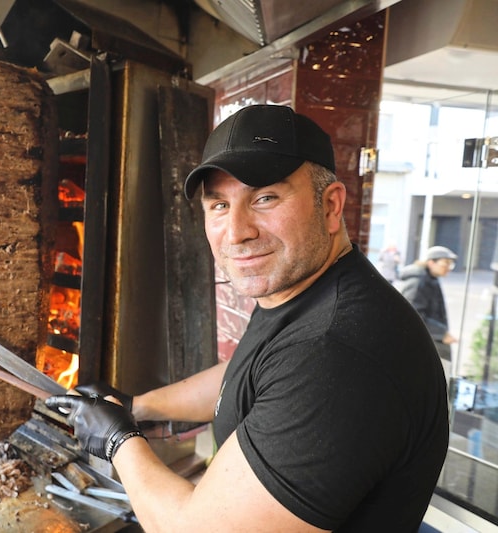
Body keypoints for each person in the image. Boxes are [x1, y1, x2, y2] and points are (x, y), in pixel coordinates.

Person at [46, 105, 449, 531]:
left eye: (264, 198)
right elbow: (245, 376)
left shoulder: (336, 352)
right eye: (219, 204)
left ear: (331, 206)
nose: (237, 231)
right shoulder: (304, 294)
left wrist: (119, 441)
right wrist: (135, 406)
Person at [399, 245, 458, 383]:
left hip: (430, 342)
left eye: (451, 264)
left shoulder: (430, 278)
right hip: (426, 345)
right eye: (446, 263)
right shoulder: (418, 281)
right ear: (431, 262)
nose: (449, 267)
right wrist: (441, 333)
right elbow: (412, 315)